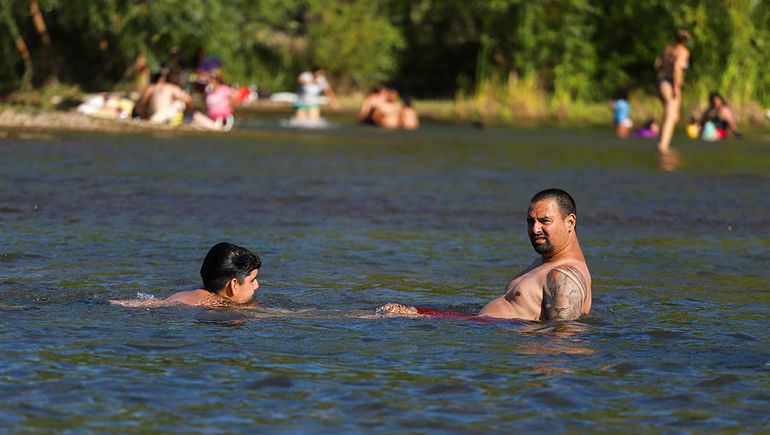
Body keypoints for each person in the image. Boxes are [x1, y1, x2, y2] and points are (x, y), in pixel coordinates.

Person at [379, 189, 592, 321]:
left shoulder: (564, 276)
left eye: (544, 221)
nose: (535, 229)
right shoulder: (544, 264)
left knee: (380, 317)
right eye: (530, 222)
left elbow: (564, 341)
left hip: (493, 335)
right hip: (478, 324)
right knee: (389, 311)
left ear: (570, 222)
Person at [111, 242, 261, 307]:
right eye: (252, 280)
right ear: (234, 285)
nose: (257, 285)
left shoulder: (198, 291)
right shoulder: (213, 303)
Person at [654, 29, 691, 152]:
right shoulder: (683, 52)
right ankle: (663, 147)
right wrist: (676, 86)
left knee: (672, 116)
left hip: (660, 81)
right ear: (686, 40)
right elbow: (677, 68)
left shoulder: (667, 49)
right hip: (670, 83)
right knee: (671, 116)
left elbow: (657, 64)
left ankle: (661, 142)